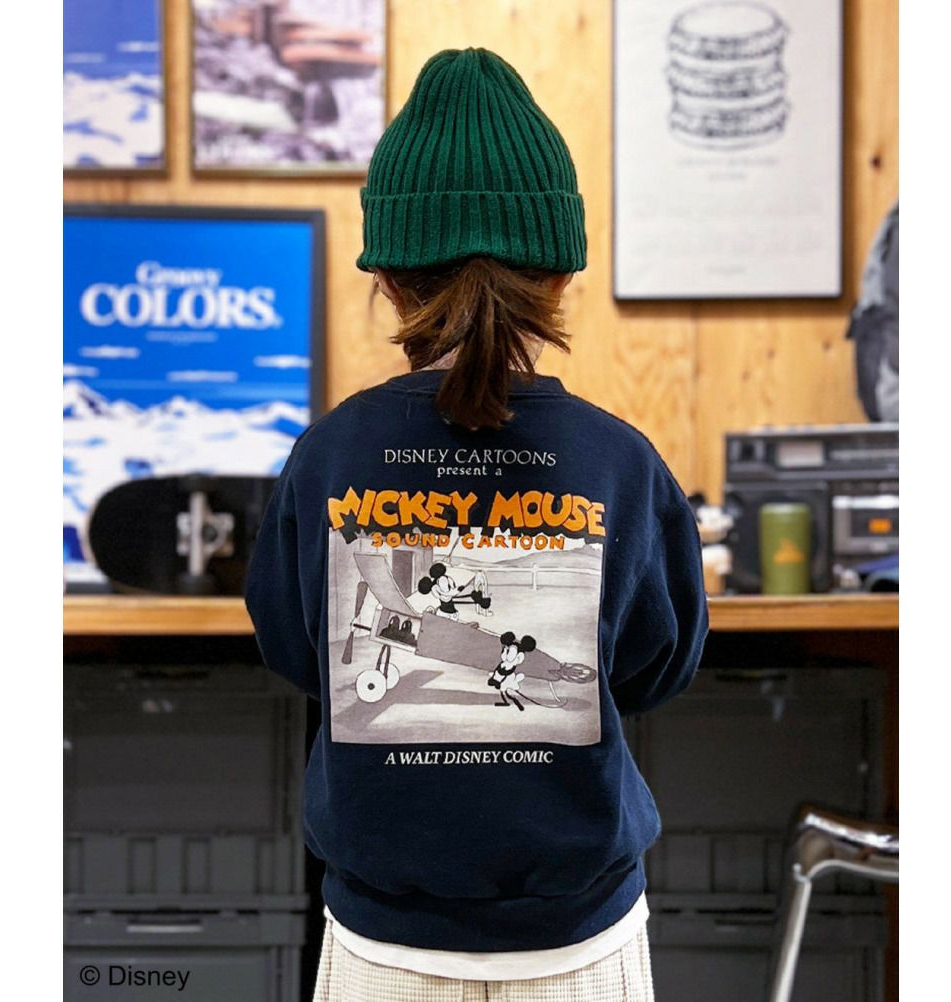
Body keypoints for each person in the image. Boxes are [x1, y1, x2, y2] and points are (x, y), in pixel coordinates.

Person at [245, 47, 709, 1002]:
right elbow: (657, 666)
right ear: (561, 275)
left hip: (381, 949)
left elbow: (296, 650)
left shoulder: (326, 458)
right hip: (579, 947)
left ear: (388, 279)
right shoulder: (620, 462)